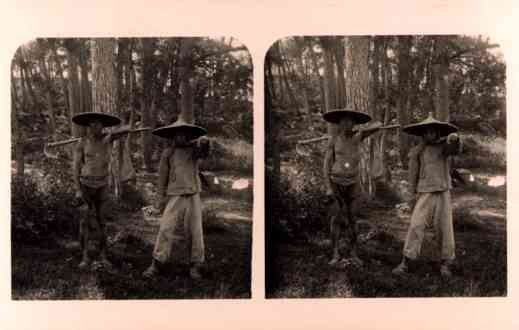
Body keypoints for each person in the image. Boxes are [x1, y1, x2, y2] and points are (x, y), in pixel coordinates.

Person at [392, 112, 462, 278]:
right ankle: (406, 261)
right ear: (422, 134)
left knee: (445, 229)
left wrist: (454, 138)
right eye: (426, 132)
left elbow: (454, 149)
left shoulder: (443, 148)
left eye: (433, 132)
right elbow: (412, 175)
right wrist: (411, 195)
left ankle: (445, 263)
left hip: (443, 192)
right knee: (416, 225)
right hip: (425, 193)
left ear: (437, 133)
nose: (429, 135)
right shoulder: (418, 151)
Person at [143, 115, 210, 280]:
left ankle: (195, 265)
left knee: (195, 231)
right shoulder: (168, 153)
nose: (180, 137)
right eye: (177, 134)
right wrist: (159, 199)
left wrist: (205, 142)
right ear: (172, 136)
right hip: (175, 195)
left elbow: (204, 152)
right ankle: (157, 262)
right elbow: (162, 178)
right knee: (166, 228)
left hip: (193, 194)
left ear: (187, 135)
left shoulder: (194, 150)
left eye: (183, 134)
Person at [322, 107, 382, 267]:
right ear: (339, 124)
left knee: (352, 219)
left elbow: (378, 125)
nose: (347, 124)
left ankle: (353, 253)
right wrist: (328, 187)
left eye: (351, 121)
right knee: (336, 218)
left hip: (353, 184)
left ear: (354, 124)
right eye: (344, 121)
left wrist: (363, 129)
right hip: (336, 182)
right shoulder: (333, 140)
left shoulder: (358, 137)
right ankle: (335, 253)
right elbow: (326, 165)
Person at [72, 111, 129, 270]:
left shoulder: (108, 139)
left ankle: (103, 255)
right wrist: (77, 190)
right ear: (88, 126)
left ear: (102, 126)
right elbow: (76, 168)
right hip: (85, 185)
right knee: (84, 222)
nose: (94, 127)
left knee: (102, 222)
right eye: (91, 124)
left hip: (102, 185)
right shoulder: (82, 143)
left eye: (97, 123)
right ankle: (85, 257)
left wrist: (110, 134)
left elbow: (127, 128)